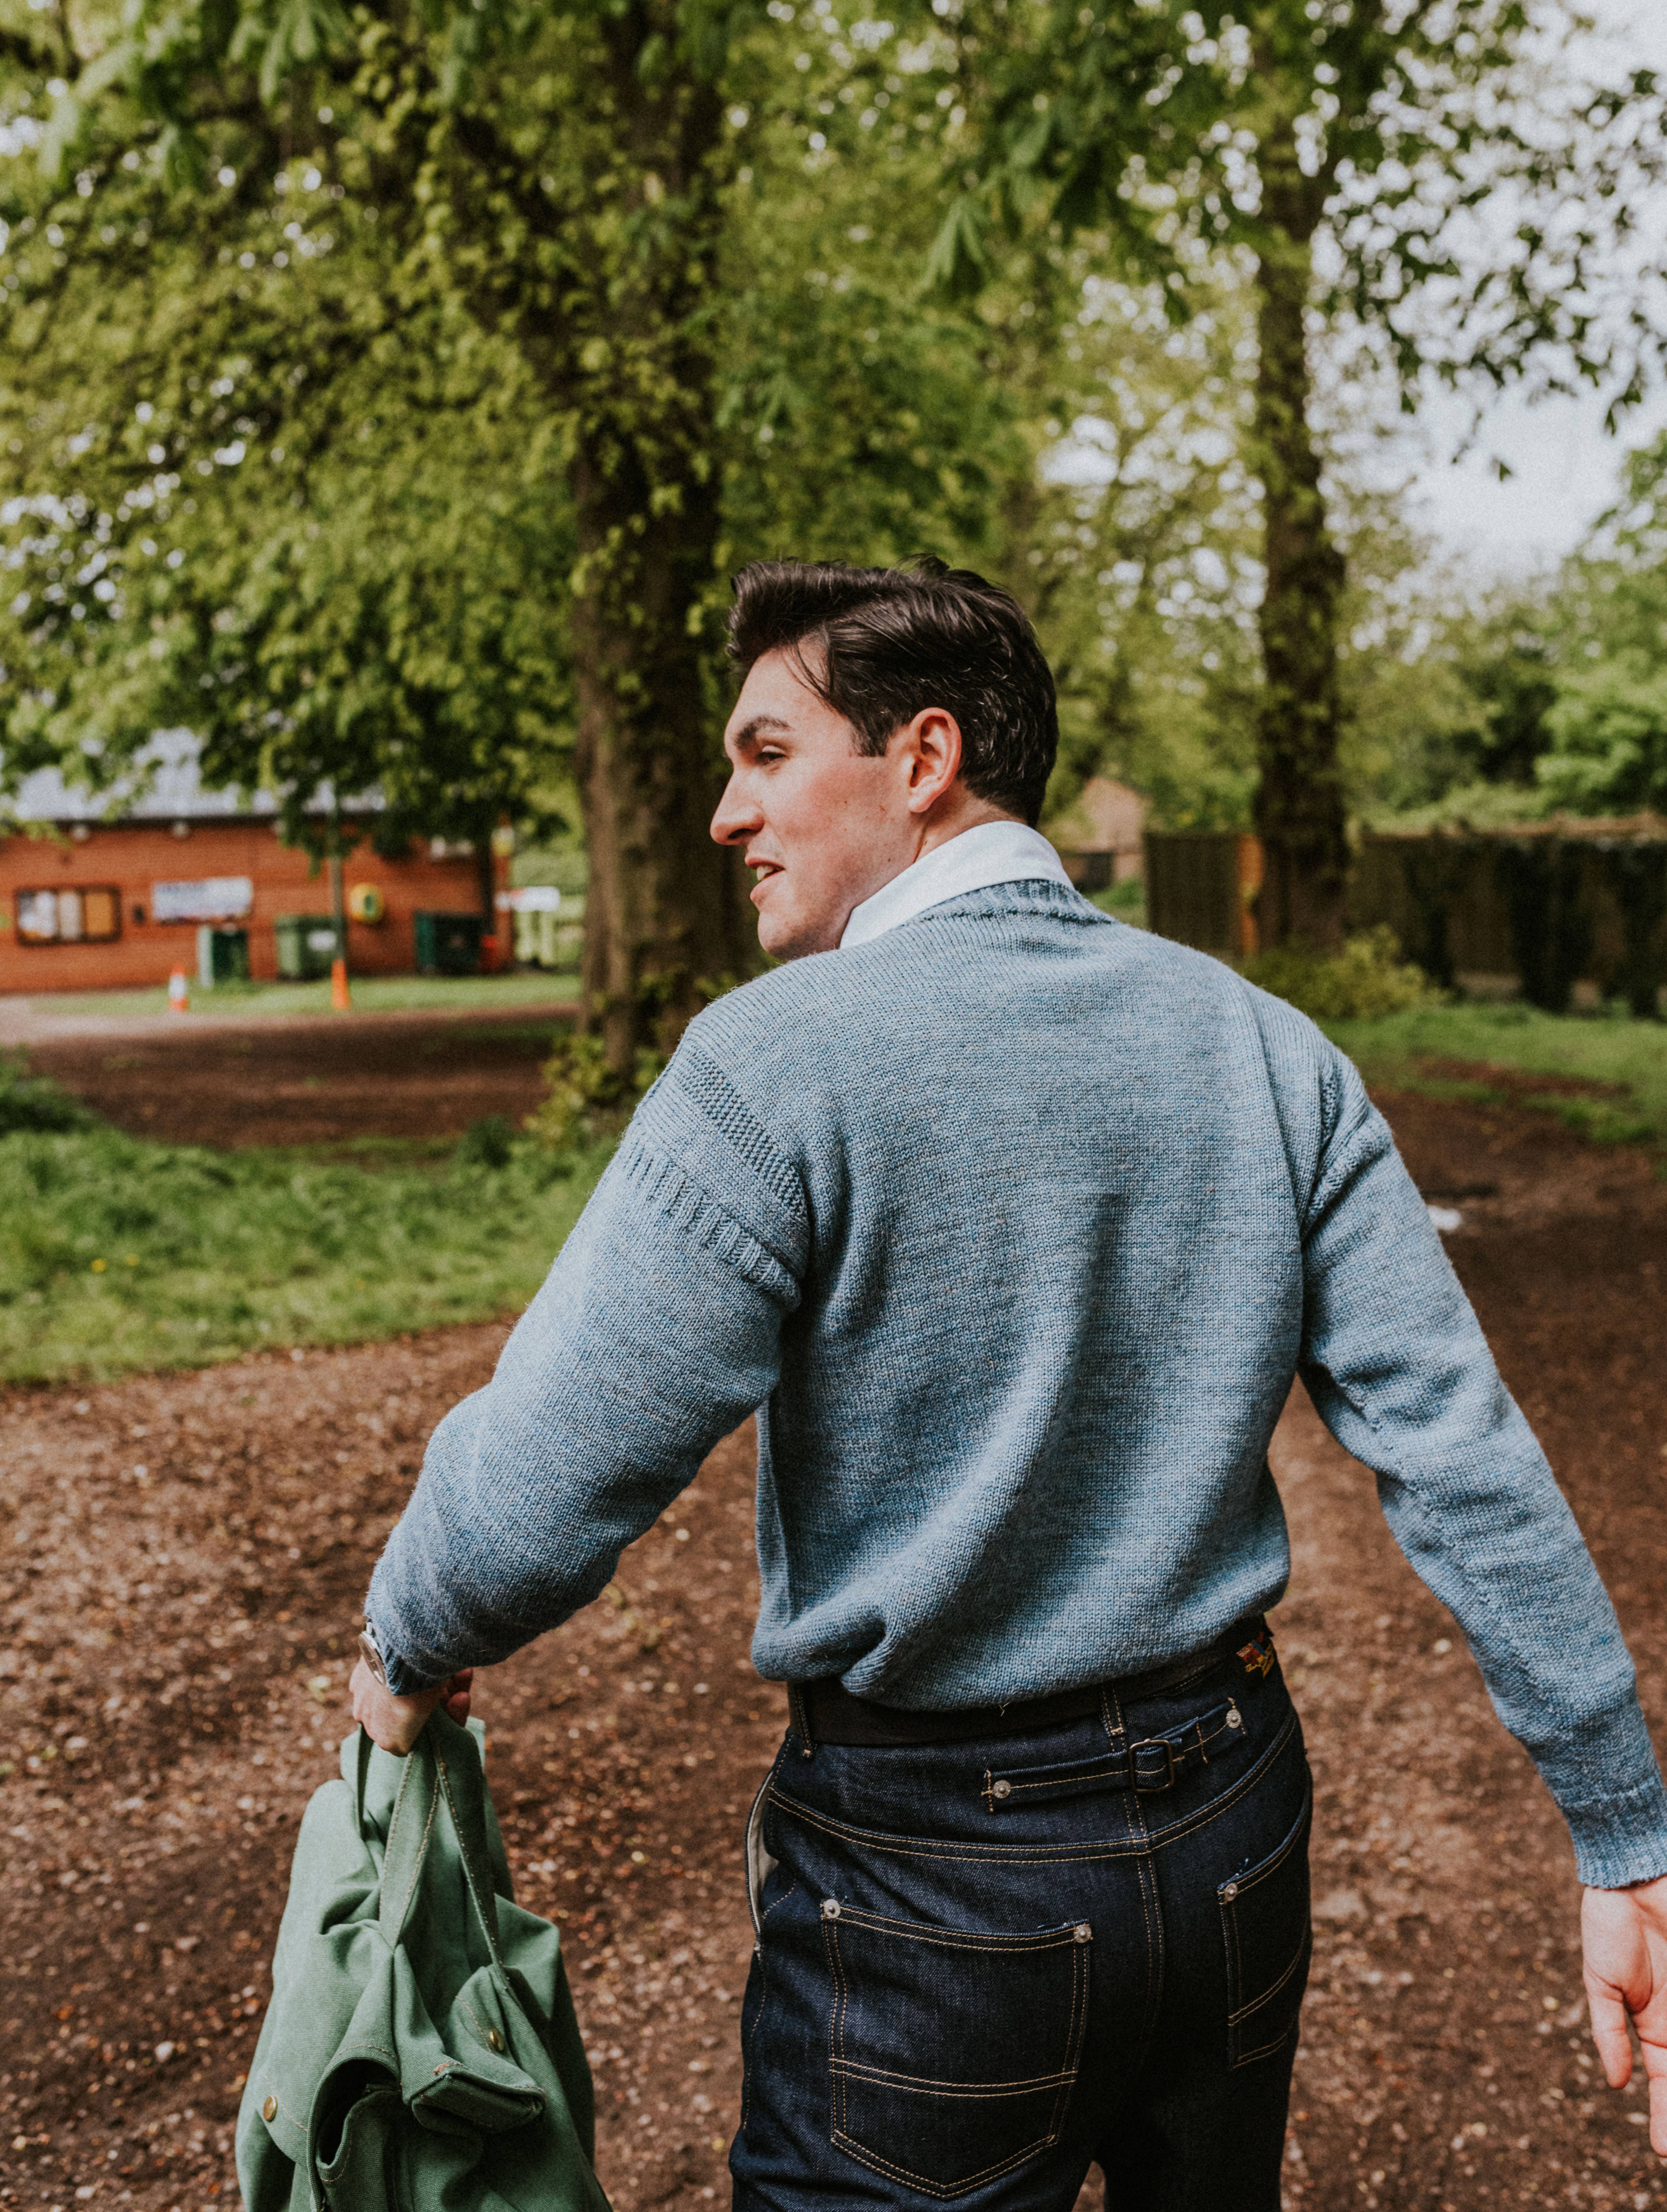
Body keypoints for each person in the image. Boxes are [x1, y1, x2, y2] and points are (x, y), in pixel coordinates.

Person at [350, 558, 1667, 2210]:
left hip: (929, 1887)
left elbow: (549, 1474)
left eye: (767, 754)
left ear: (922, 758)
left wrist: (409, 1639)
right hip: (1235, 1836)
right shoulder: (1267, 1048)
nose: (723, 812)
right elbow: (1458, 1449)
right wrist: (1623, 1830)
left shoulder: (771, 1064)